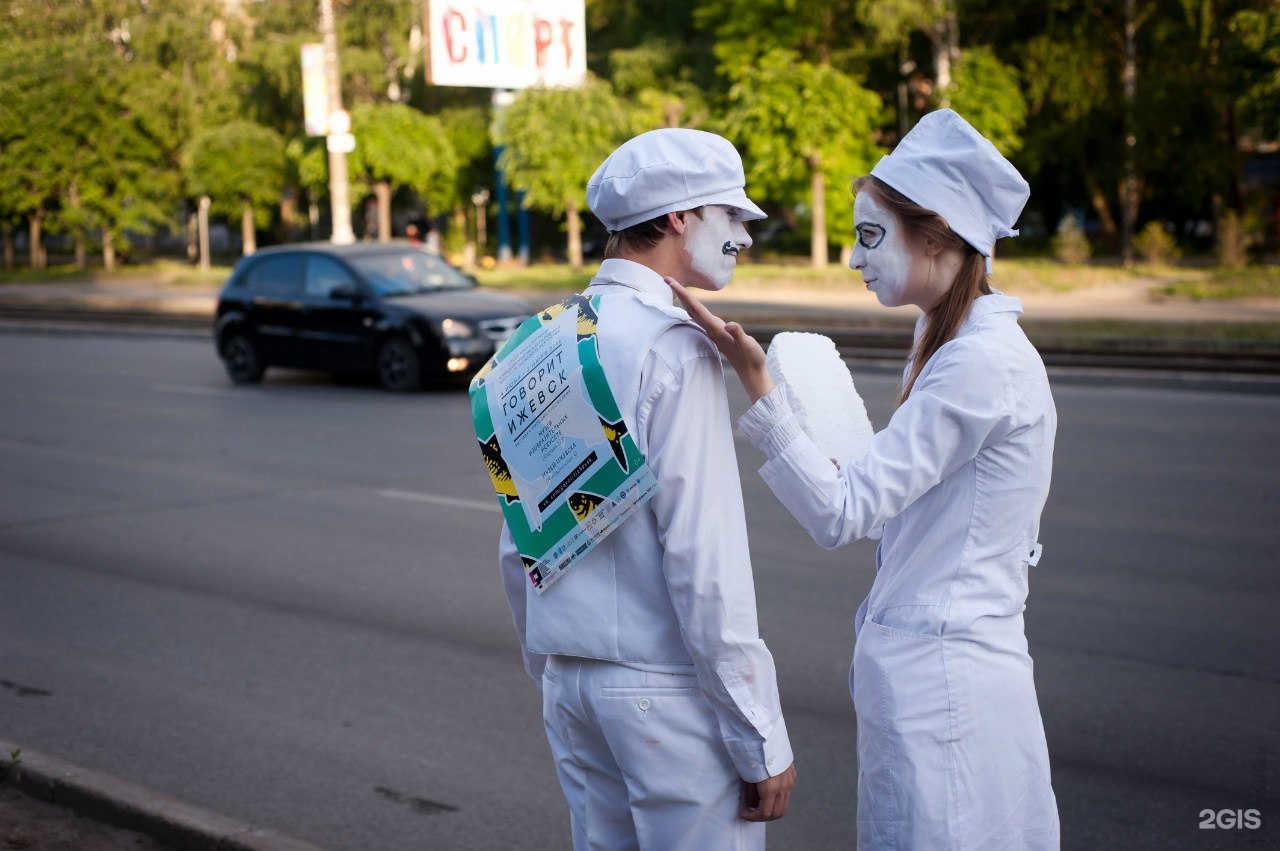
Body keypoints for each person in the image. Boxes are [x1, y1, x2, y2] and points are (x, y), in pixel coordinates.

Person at [668, 109, 1060, 850]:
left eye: (871, 235)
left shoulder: (980, 362)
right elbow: (889, 497)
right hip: (939, 671)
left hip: (948, 684)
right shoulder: (946, 338)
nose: (854, 257)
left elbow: (844, 511)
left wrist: (762, 387)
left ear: (939, 233)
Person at [497, 127, 797, 851]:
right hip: (663, 695)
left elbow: (519, 539)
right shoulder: (674, 346)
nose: (745, 238)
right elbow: (705, 558)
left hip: (573, 687)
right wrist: (760, 731)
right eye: (732, 217)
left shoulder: (538, 338)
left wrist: (556, 665)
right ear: (676, 219)